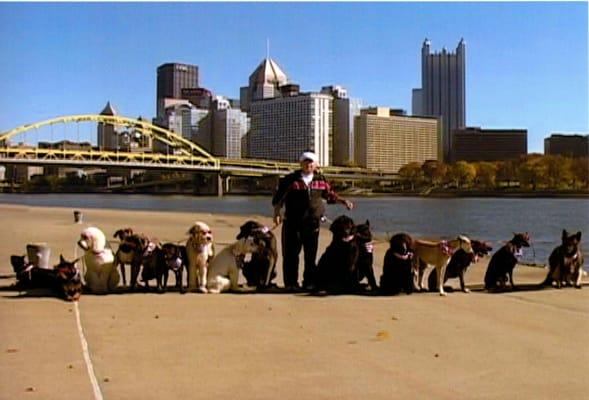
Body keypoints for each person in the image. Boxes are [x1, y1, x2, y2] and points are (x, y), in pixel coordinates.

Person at [272, 151, 354, 291]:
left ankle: (308, 282)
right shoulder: (291, 179)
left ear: (316, 165)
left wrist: (343, 201)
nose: (308, 165)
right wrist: (277, 213)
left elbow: (329, 195)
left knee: (310, 255)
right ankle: (291, 283)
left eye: (311, 162)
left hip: (312, 223)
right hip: (292, 222)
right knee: (291, 255)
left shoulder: (320, 180)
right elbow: (279, 198)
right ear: (301, 163)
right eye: (306, 162)